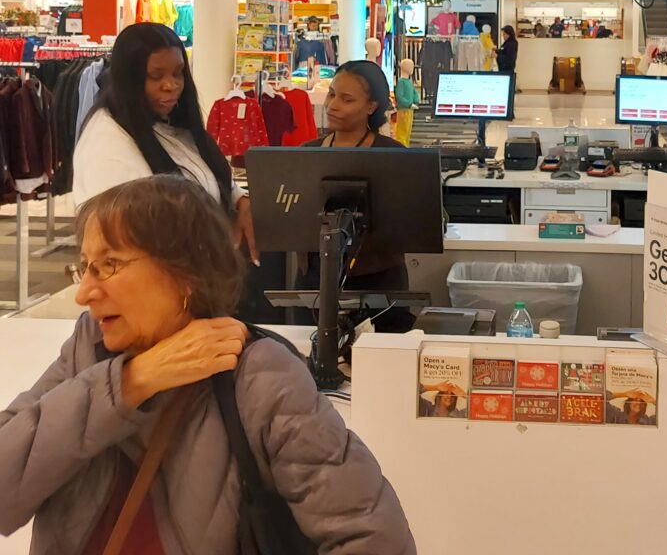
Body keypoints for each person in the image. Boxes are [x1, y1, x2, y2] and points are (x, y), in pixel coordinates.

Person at [0, 176, 414, 554]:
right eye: (85, 267)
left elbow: (374, 538)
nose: (83, 293)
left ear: (185, 273)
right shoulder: (88, 350)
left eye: (109, 265)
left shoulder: (257, 375)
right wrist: (129, 383)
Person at [73, 22, 256, 262]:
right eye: (156, 76)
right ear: (130, 79)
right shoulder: (108, 144)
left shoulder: (169, 124)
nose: (171, 85)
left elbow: (202, 175)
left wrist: (240, 199)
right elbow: (123, 240)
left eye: (178, 73)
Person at [304, 60, 407, 292]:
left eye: (347, 100)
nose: (332, 106)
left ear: (371, 106)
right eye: (331, 94)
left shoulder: (393, 155)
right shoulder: (305, 153)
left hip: (379, 282)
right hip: (314, 279)